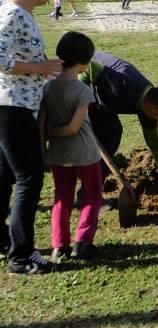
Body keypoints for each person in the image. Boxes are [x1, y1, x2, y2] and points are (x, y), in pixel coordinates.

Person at [0, 0, 65, 274]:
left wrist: (43, 67)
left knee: (5, 176)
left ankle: (6, 241)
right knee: (29, 177)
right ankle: (21, 256)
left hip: (17, 104)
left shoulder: (23, 13)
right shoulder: (12, 13)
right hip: (12, 107)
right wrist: (39, 68)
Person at [39, 32, 102, 262]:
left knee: (61, 198)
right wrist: (57, 132)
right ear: (84, 62)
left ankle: (59, 246)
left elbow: (42, 124)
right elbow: (74, 128)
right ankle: (83, 243)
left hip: (58, 155)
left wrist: (47, 142)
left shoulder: (47, 89)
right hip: (84, 154)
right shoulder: (83, 91)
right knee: (92, 196)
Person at [79, 52, 158, 194]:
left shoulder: (148, 105)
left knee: (112, 132)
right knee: (109, 133)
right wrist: (78, 99)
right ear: (156, 108)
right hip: (80, 75)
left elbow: (155, 142)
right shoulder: (123, 85)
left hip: (103, 99)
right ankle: (89, 192)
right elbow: (89, 66)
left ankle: (89, 190)